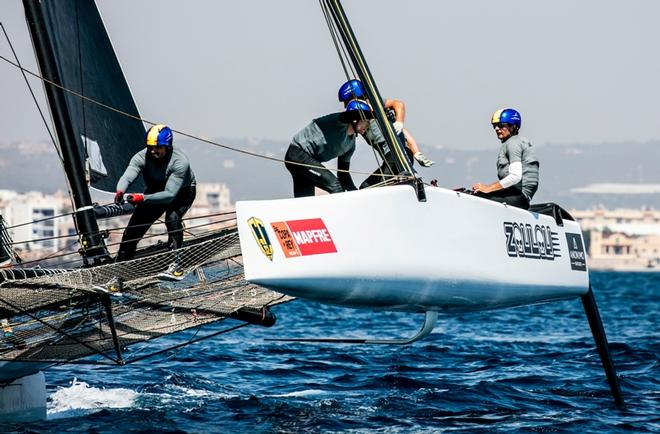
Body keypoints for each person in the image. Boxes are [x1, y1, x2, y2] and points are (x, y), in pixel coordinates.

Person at [113, 124, 197, 280]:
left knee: (172, 218)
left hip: (181, 192)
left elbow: (170, 195)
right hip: (156, 190)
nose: (153, 151)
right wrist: (120, 190)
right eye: (150, 147)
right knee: (132, 231)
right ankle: (119, 273)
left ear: (167, 146)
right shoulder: (141, 157)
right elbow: (128, 176)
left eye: (158, 147)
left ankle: (176, 265)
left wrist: (142, 198)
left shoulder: (180, 162)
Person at [337, 79, 434, 169]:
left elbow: (398, 105)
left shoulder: (372, 104)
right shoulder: (357, 115)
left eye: (346, 101)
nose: (346, 105)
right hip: (391, 159)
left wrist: (399, 122)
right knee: (368, 185)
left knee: (370, 185)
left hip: (397, 155)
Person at [285, 100, 372, 197]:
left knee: (306, 200)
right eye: (366, 122)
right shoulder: (337, 122)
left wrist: (357, 193)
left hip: (306, 161)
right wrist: (375, 114)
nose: (367, 127)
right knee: (336, 187)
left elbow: (343, 175)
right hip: (297, 154)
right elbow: (350, 115)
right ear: (355, 120)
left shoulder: (351, 145)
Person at [472, 108, 539, 210]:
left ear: (514, 126)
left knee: (475, 198)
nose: (497, 129)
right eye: (495, 126)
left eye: (501, 125)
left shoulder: (513, 143)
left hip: (518, 197)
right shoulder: (519, 141)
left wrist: (487, 188)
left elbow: (515, 176)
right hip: (519, 196)